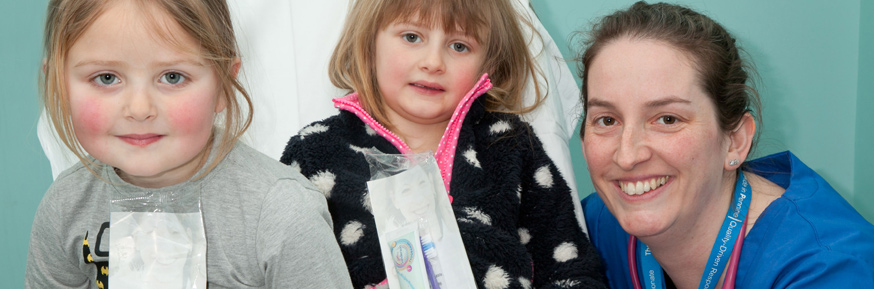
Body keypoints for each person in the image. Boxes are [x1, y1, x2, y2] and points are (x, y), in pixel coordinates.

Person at [25, 0, 353, 288]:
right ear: (58, 82)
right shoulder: (64, 207)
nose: (139, 109)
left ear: (224, 84)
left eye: (172, 77)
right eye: (107, 78)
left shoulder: (282, 213)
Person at [280, 0, 607, 288]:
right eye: (412, 37)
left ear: (488, 63)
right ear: (368, 44)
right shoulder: (315, 152)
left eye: (459, 46)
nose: (433, 62)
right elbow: (283, 270)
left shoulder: (511, 146)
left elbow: (572, 270)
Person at [576, 2, 874, 289]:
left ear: (735, 141)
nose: (628, 156)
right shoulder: (593, 226)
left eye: (667, 119)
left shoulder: (829, 268)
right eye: (606, 120)